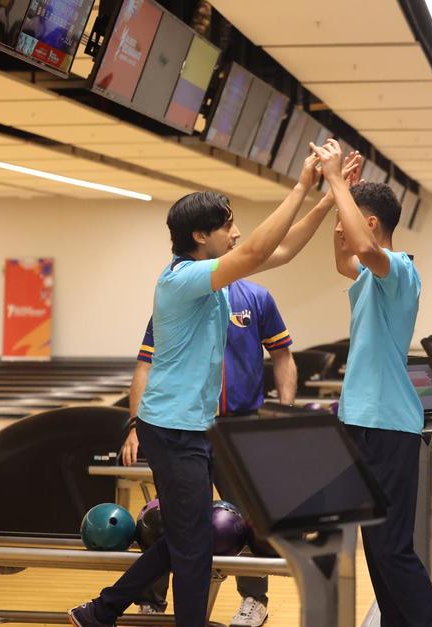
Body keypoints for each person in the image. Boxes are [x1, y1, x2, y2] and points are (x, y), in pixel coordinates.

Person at [69, 153, 324, 627]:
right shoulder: (183, 280)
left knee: (190, 535)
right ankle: (114, 612)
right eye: (228, 226)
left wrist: (327, 198)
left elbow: (283, 251)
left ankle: (101, 610)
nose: (237, 233)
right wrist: (300, 183)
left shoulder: (216, 281)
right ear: (199, 236)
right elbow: (251, 254)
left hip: (197, 427)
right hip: (171, 428)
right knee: (193, 546)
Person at [313, 138, 432, 627]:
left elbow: (365, 248)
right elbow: (342, 259)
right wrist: (340, 194)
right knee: (376, 544)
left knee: (392, 548)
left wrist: (333, 180)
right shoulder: (369, 277)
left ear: (369, 223)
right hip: (360, 421)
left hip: (388, 424)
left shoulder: (401, 271)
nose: (341, 229)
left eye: (348, 220)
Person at [123, 278, 297, 625]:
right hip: (186, 424)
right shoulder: (179, 297)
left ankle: (253, 599)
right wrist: (132, 424)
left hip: (239, 426)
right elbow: (146, 365)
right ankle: (152, 600)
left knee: (248, 518)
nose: (233, 238)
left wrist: (285, 415)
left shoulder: (257, 297)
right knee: (171, 517)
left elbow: (283, 356)